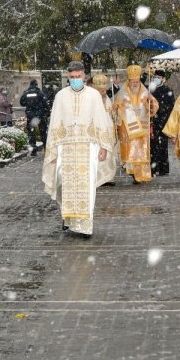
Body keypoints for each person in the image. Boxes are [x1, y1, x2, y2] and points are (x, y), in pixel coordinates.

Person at [42, 61, 115, 237]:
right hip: (65, 147)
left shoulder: (93, 95)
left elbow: (101, 121)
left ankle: (84, 226)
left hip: (88, 146)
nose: (75, 80)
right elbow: (54, 123)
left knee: (86, 186)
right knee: (63, 184)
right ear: (68, 77)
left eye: (78, 77)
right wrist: (52, 151)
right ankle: (67, 218)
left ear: (84, 76)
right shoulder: (60, 96)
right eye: (72, 77)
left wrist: (104, 147)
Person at [112, 64, 158, 183]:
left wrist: (150, 105)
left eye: (137, 81)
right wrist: (116, 108)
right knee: (132, 153)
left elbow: (154, 106)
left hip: (142, 130)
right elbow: (116, 109)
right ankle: (135, 175)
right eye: (132, 81)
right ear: (129, 81)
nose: (135, 83)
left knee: (142, 152)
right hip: (129, 130)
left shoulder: (145, 92)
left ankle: (142, 175)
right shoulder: (122, 94)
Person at [90, 72, 119, 184]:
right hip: (96, 132)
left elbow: (111, 115)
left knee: (109, 154)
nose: (103, 92)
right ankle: (99, 178)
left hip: (108, 131)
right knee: (98, 154)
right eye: (100, 90)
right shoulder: (91, 100)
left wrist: (114, 110)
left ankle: (109, 177)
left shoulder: (107, 99)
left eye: (104, 90)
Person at [149, 69, 175, 177]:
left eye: (159, 78)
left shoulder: (167, 90)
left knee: (163, 146)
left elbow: (171, 105)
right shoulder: (150, 89)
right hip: (152, 121)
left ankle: (163, 169)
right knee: (152, 146)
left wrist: (161, 109)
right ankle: (153, 169)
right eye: (155, 77)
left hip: (163, 121)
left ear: (163, 79)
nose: (156, 79)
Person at [19, 80, 49, 155]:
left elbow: (22, 103)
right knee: (43, 132)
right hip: (39, 115)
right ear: (36, 84)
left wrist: (29, 105)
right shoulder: (39, 92)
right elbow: (45, 103)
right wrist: (47, 112)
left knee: (31, 133)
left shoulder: (26, 92)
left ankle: (33, 150)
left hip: (30, 115)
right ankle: (46, 148)